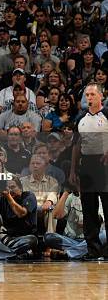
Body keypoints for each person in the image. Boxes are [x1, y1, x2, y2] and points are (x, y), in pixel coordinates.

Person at [69, 82, 108, 259]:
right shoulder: (80, 118)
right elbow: (76, 146)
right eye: (87, 95)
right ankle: (93, 250)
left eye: (92, 94)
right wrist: (72, 170)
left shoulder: (107, 114)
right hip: (87, 166)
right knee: (89, 209)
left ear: (101, 96)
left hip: (105, 165)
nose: (89, 98)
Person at [0, 177, 38, 260]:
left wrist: (8, 196)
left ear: (20, 188)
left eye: (13, 187)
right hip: (7, 238)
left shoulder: (28, 196)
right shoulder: (3, 199)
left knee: (32, 239)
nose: (10, 190)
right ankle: (14, 254)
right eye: (8, 188)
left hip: (23, 237)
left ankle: (2, 252)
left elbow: (21, 213)